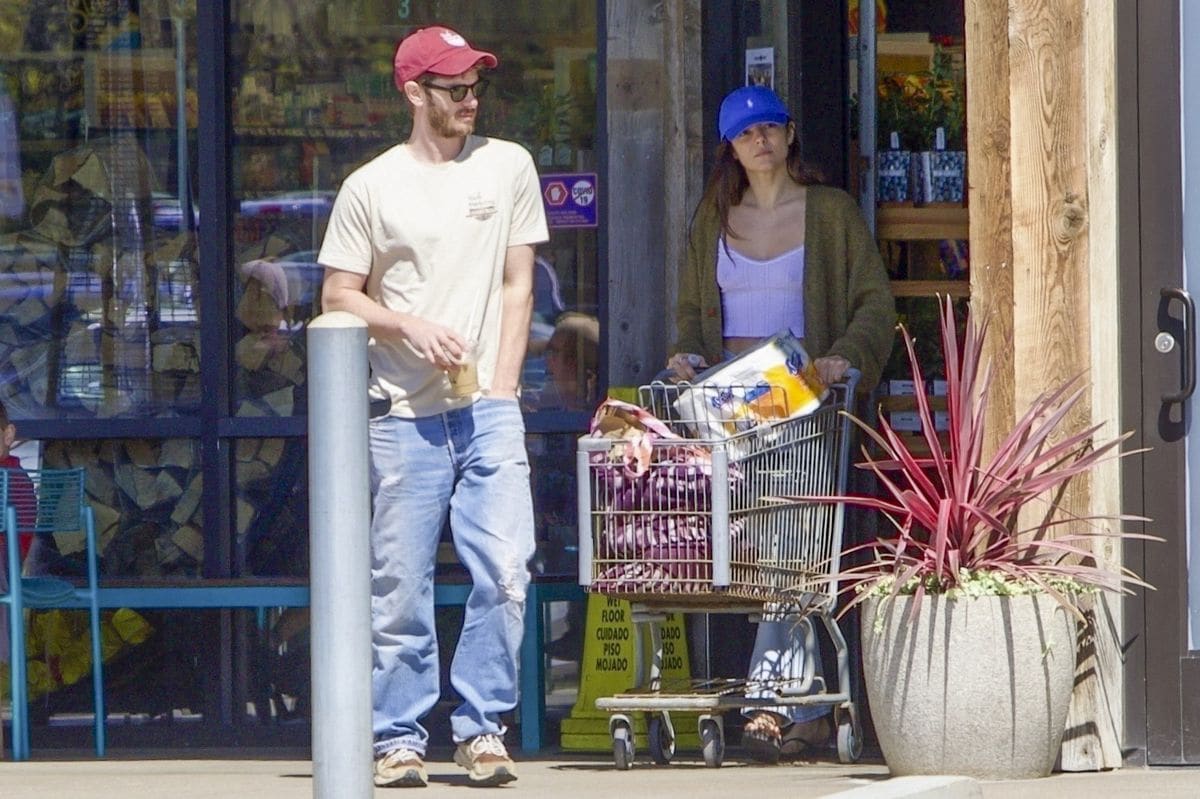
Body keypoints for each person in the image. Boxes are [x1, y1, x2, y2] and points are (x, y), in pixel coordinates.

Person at [318, 25, 548, 788]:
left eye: (476, 84)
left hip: (487, 407)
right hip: (400, 413)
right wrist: (408, 324)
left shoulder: (509, 164)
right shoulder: (370, 187)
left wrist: (505, 388)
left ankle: (483, 728)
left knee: (506, 569)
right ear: (413, 93)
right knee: (400, 584)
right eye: (453, 88)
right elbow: (338, 294)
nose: (469, 99)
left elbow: (520, 282)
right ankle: (397, 736)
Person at [666, 85, 895, 764]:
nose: (760, 140)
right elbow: (689, 311)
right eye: (745, 133)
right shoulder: (714, 216)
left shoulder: (829, 212)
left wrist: (842, 359)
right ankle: (806, 708)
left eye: (770, 127)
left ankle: (769, 698)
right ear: (729, 147)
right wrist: (686, 356)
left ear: (790, 135)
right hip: (732, 406)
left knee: (791, 543)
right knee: (760, 552)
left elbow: (874, 302)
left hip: (801, 402)